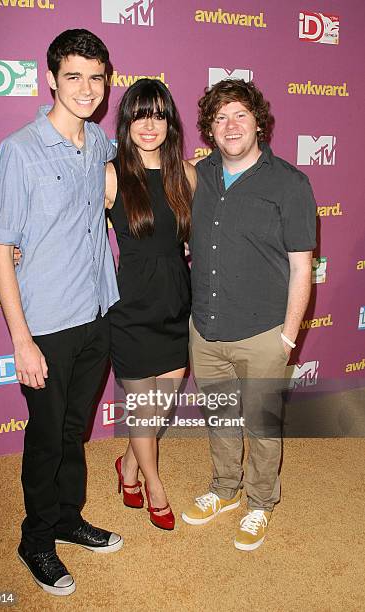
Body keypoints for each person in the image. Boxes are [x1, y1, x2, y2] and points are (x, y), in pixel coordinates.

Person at [0, 29, 123, 596]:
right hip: (47, 323)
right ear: (51, 80)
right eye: (74, 77)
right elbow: (0, 247)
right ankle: (36, 538)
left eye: (96, 78)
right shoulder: (19, 150)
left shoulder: (100, 145)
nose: (87, 89)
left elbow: (128, 184)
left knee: (73, 429)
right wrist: (21, 340)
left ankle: (68, 517)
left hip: (97, 313)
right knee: (46, 435)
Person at [182, 79, 316, 550]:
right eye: (219, 118)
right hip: (206, 328)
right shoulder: (198, 176)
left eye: (240, 114)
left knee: (261, 426)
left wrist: (287, 337)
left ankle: (260, 502)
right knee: (219, 418)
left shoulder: (291, 183)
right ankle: (224, 489)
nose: (230, 125)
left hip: (264, 332)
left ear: (258, 121)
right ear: (209, 130)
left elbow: (302, 267)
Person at [105, 78, 196, 530]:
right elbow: (68, 226)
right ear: (126, 122)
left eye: (158, 114)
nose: (149, 124)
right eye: (140, 114)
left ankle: (127, 466)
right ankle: (153, 487)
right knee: (143, 411)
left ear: (170, 122)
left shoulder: (188, 174)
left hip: (178, 304)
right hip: (130, 309)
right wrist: (21, 248)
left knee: (155, 411)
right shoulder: (110, 175)